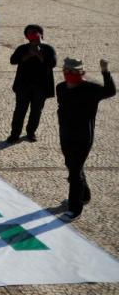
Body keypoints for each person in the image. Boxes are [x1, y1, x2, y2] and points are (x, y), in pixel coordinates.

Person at [56, 58, 114, 222]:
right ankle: (85, 194)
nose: (69, 74)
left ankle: (75, 208)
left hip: (83, 137)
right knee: (72, 166)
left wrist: (105, 71)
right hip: (65, 135)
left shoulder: (90, 89)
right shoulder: (60, 88)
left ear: (82, 73)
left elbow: (110, 91)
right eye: (66, 71)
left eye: (73, 71)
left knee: (74, 173)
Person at [7, 24, 57, 143]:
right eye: (29, 33)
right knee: (20, 110)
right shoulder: (22, 48)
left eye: (35, 32)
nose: (33, 35)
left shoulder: (49, 49)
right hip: (23, 85)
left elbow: (53, 63)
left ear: (41, 34)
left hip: (41, 87)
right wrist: (29, 54)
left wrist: (39, 54)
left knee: (36, 111)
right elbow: (13, 61)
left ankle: (31, 132)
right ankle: (15, 134)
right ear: (27, 37)